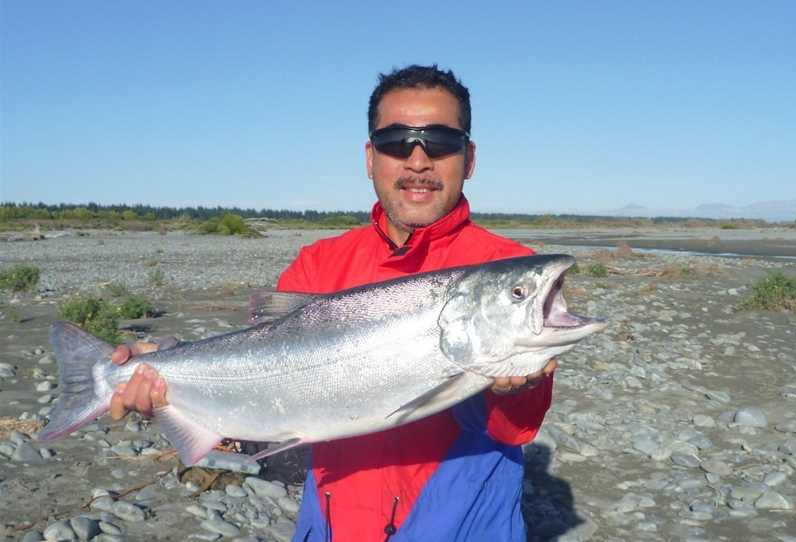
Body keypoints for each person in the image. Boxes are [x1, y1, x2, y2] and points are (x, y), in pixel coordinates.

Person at [110, 64, 556, 541]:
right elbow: (261, 407)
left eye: (441, 142)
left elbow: (514, 429)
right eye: (396, 141)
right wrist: (167, 376)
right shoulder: (318, 265)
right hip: (330, 521)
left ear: (468, 158)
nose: (418, 160)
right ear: (370, 157)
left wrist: (515, 389)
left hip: (461, 523)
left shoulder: (507, 269)